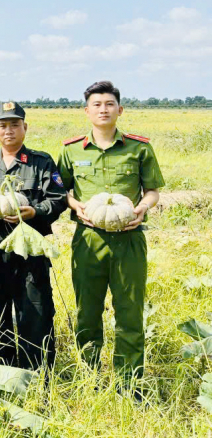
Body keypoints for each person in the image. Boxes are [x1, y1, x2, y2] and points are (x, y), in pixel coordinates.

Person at [58, 81, 163, 388]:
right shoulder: (71, 149)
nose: (103, 109)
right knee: (87, 312)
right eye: (97, 104)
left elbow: (153, 191)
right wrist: (74, 204)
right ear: (86, 110)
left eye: (109, 104)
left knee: (130, 313)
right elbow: (61, 190)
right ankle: (89, 377)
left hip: (129, 241)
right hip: (88, 241)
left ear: (120, 109)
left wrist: (142, 207)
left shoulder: (139, 147)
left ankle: (129, 382)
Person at [0, 102, 67, 369]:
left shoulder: (41, 162)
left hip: (30, 251)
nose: (9, 130)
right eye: (3, 125)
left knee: (35, 313)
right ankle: (1, 374)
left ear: (25, 127)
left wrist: (33, 212)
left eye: (14, 124)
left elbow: (58, 199)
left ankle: (37, 376)